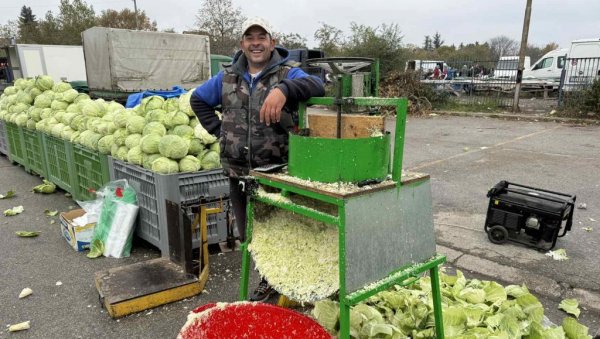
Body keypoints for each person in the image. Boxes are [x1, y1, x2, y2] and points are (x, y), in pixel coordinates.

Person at [190, 17, 325, 302]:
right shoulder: (227, 78)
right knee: (251, 235)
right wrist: (220, 132)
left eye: (261, 37)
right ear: (242, 44)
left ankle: (297, 282)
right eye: (249, 37)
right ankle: (268, 280)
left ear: (272, 42)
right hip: (239, 174)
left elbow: (318, 85)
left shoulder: (288, 73)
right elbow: (198, 100)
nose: (255, 43)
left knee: (285, 231)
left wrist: (284, 90)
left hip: (278, 173)